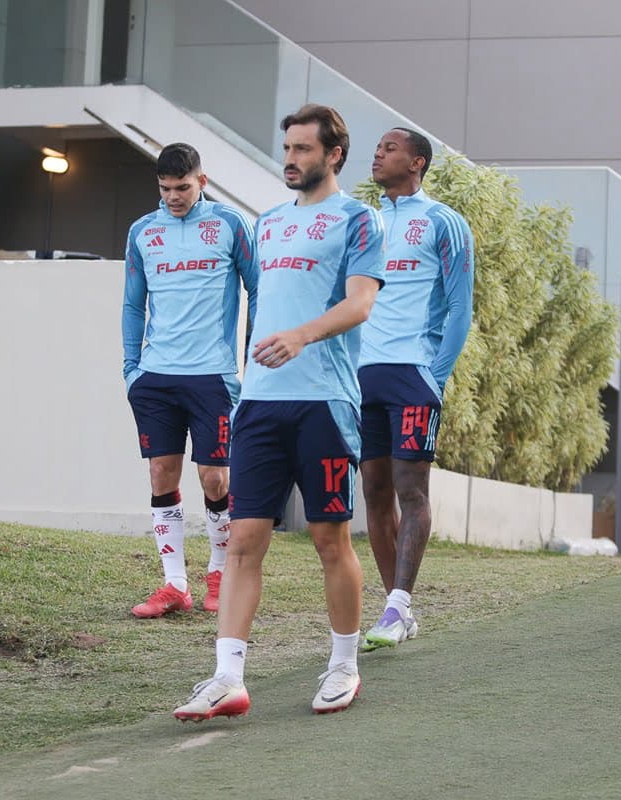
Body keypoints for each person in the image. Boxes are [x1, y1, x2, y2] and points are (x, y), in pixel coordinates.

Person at [173, 104, 385, 720]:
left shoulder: (358, 219)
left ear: (333, 155)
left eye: (302, 149)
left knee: (328, 537)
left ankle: (344, 664)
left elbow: (360, 305)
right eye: (287, 148)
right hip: (260, 405)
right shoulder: (266, 224)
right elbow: (260, 311)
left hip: (324, 400)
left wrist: (301, 336)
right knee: (243, 539)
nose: (290, 159)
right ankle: (227, 678)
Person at [123, 143, 257, 618]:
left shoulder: (231, 224)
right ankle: (174, 584)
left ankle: (218, 572)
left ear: (202, 180)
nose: (174, 196)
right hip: (156, 376)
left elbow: (258, 290)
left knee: (215, 478)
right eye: (165, 189)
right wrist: (131, 368)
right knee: (162, 472)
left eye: (183, 187)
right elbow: (133, 304)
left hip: (212, 375)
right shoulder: (142, 231)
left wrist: (250, 362)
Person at [358, 127, 474, 651]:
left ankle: (399, 603)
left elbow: (459, 307)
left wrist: (436, 375)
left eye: (390, 148)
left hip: (413, 376)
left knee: (411, 490)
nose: (378, 154)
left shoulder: (443, 222)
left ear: (418, 162)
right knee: (374, 492)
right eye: (377, 148)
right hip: (362, 375)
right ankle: (395, 610)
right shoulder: (365, 223)